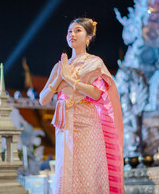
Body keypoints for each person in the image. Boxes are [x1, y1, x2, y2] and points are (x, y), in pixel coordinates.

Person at [39, 18, 124, 194]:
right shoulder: (60, 66)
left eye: (78, 30)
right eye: (70, 31)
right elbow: (42, 99)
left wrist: (70, 80)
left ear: (88, 37)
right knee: (66, 170)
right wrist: (58, 79)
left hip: (88, 122)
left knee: (88, 172)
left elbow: (97, 94)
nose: (72, 34)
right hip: (66, 123)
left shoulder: (94, 62)